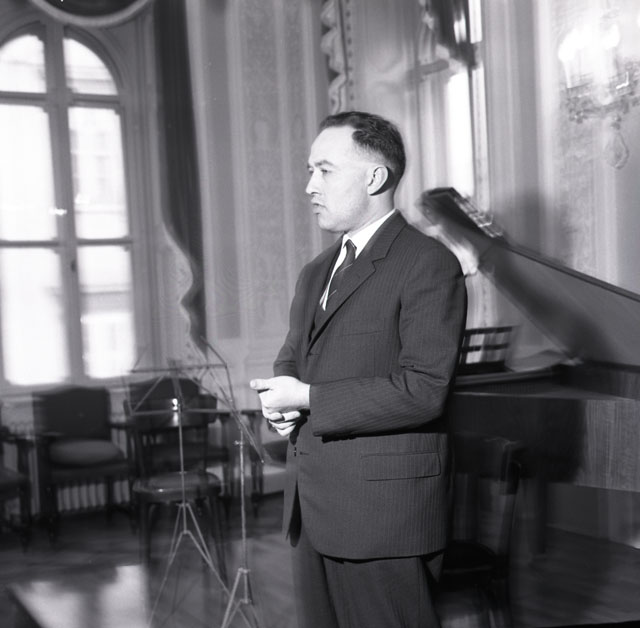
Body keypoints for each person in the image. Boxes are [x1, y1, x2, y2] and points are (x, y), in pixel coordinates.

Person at [250, 111, 467, 628]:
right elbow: (294, 356)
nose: (310, 186)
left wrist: (307, 399)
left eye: (324, 170)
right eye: (310, 170)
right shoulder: (315, 271)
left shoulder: (427, 262)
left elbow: (424, 390)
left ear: (374, 177)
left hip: (383, 516)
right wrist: (282, 405)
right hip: (312, 507)